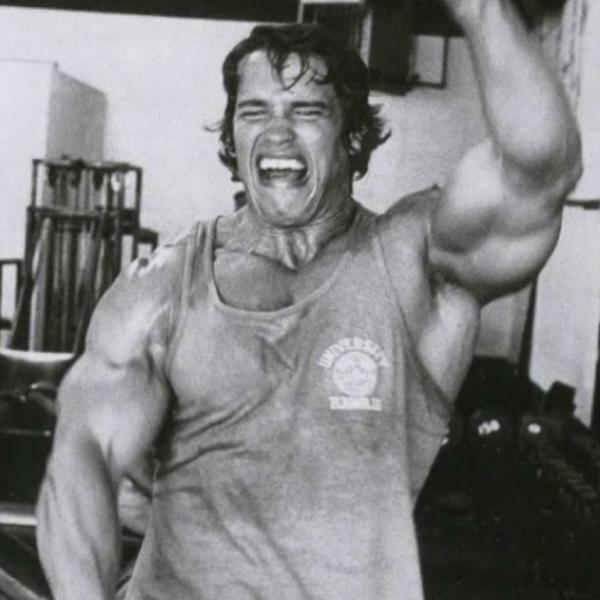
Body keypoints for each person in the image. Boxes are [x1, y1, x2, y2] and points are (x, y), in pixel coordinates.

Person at [36, 1, 582, 598]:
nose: (276, 132)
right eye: (254, 112)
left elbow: (538, 172)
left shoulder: (416, 263)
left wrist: (481, 10)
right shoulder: (164, 286)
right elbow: (84, 456)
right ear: (232, 136)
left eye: (306, 111)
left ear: (353, 135)